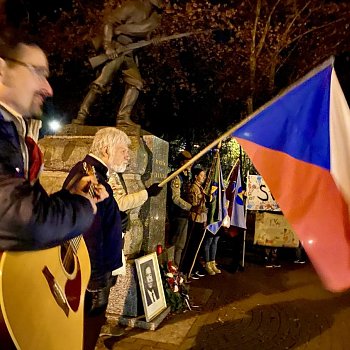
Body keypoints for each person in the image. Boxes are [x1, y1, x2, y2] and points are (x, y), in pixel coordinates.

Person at [0, 32, 107, 251]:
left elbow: (27, 207)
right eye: (38, 72)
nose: (48, 89)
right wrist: (84, 206)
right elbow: (25, 221)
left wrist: (71, 195)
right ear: (2, 71)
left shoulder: (12, 129)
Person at [63, 127, 128, 350]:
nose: (127, 155)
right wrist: (97, 275)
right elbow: (89, 228)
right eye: (123, 150)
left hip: (94, 264)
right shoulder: (90, 175)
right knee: (90, 320)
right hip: (93, 267)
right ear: (107, 149)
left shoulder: (91, 171)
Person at [72, 0, 163, 127]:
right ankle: (81, 116)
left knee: (136, 83)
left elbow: (141, 36)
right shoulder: (132, 5)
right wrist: (108, 45)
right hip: (117, 49)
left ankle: (123, 117)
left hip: (129, 53)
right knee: (100, 83)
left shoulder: (154, 18)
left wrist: (153, 41)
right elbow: (109, 22)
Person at [180, 167, 207, 280]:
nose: (204, 177)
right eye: (201, 175)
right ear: (196, 176)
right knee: (193, 246)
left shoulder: (200, 188)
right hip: (195, 219)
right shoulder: (193, 189)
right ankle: (189, 269)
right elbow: (194, 205)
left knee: (198, 246)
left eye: (204, 175)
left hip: (201, 219)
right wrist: (201, 207)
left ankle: (194, 267)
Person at [168, 150, 193, 268]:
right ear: (182, 163)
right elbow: (175, 198)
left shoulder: (187, 176)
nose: (190, 165)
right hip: (178, 215)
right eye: (189, 162)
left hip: (185, 214)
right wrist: (190, 207)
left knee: (181, 245)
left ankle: (176, 269)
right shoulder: (177, 177)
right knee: (175, 244)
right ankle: (172, 268)